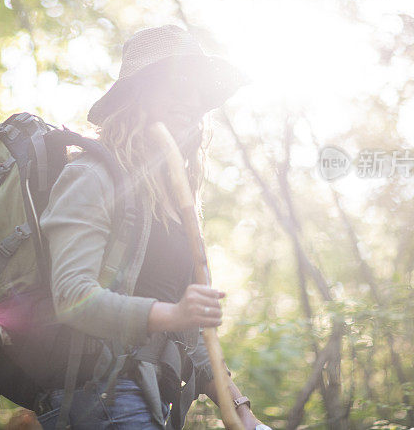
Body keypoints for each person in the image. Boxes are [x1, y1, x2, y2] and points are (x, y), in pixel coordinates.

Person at [34, 25, 269, 430]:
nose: (193, 102)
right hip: (97, 395)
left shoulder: (174, 205)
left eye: (199, 92)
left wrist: (243, 413)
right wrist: (172, 314)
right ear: (137, 95)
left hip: (148, 398)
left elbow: (193, 340)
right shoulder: (92, 176)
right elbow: (73, 297)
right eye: (178, 86)